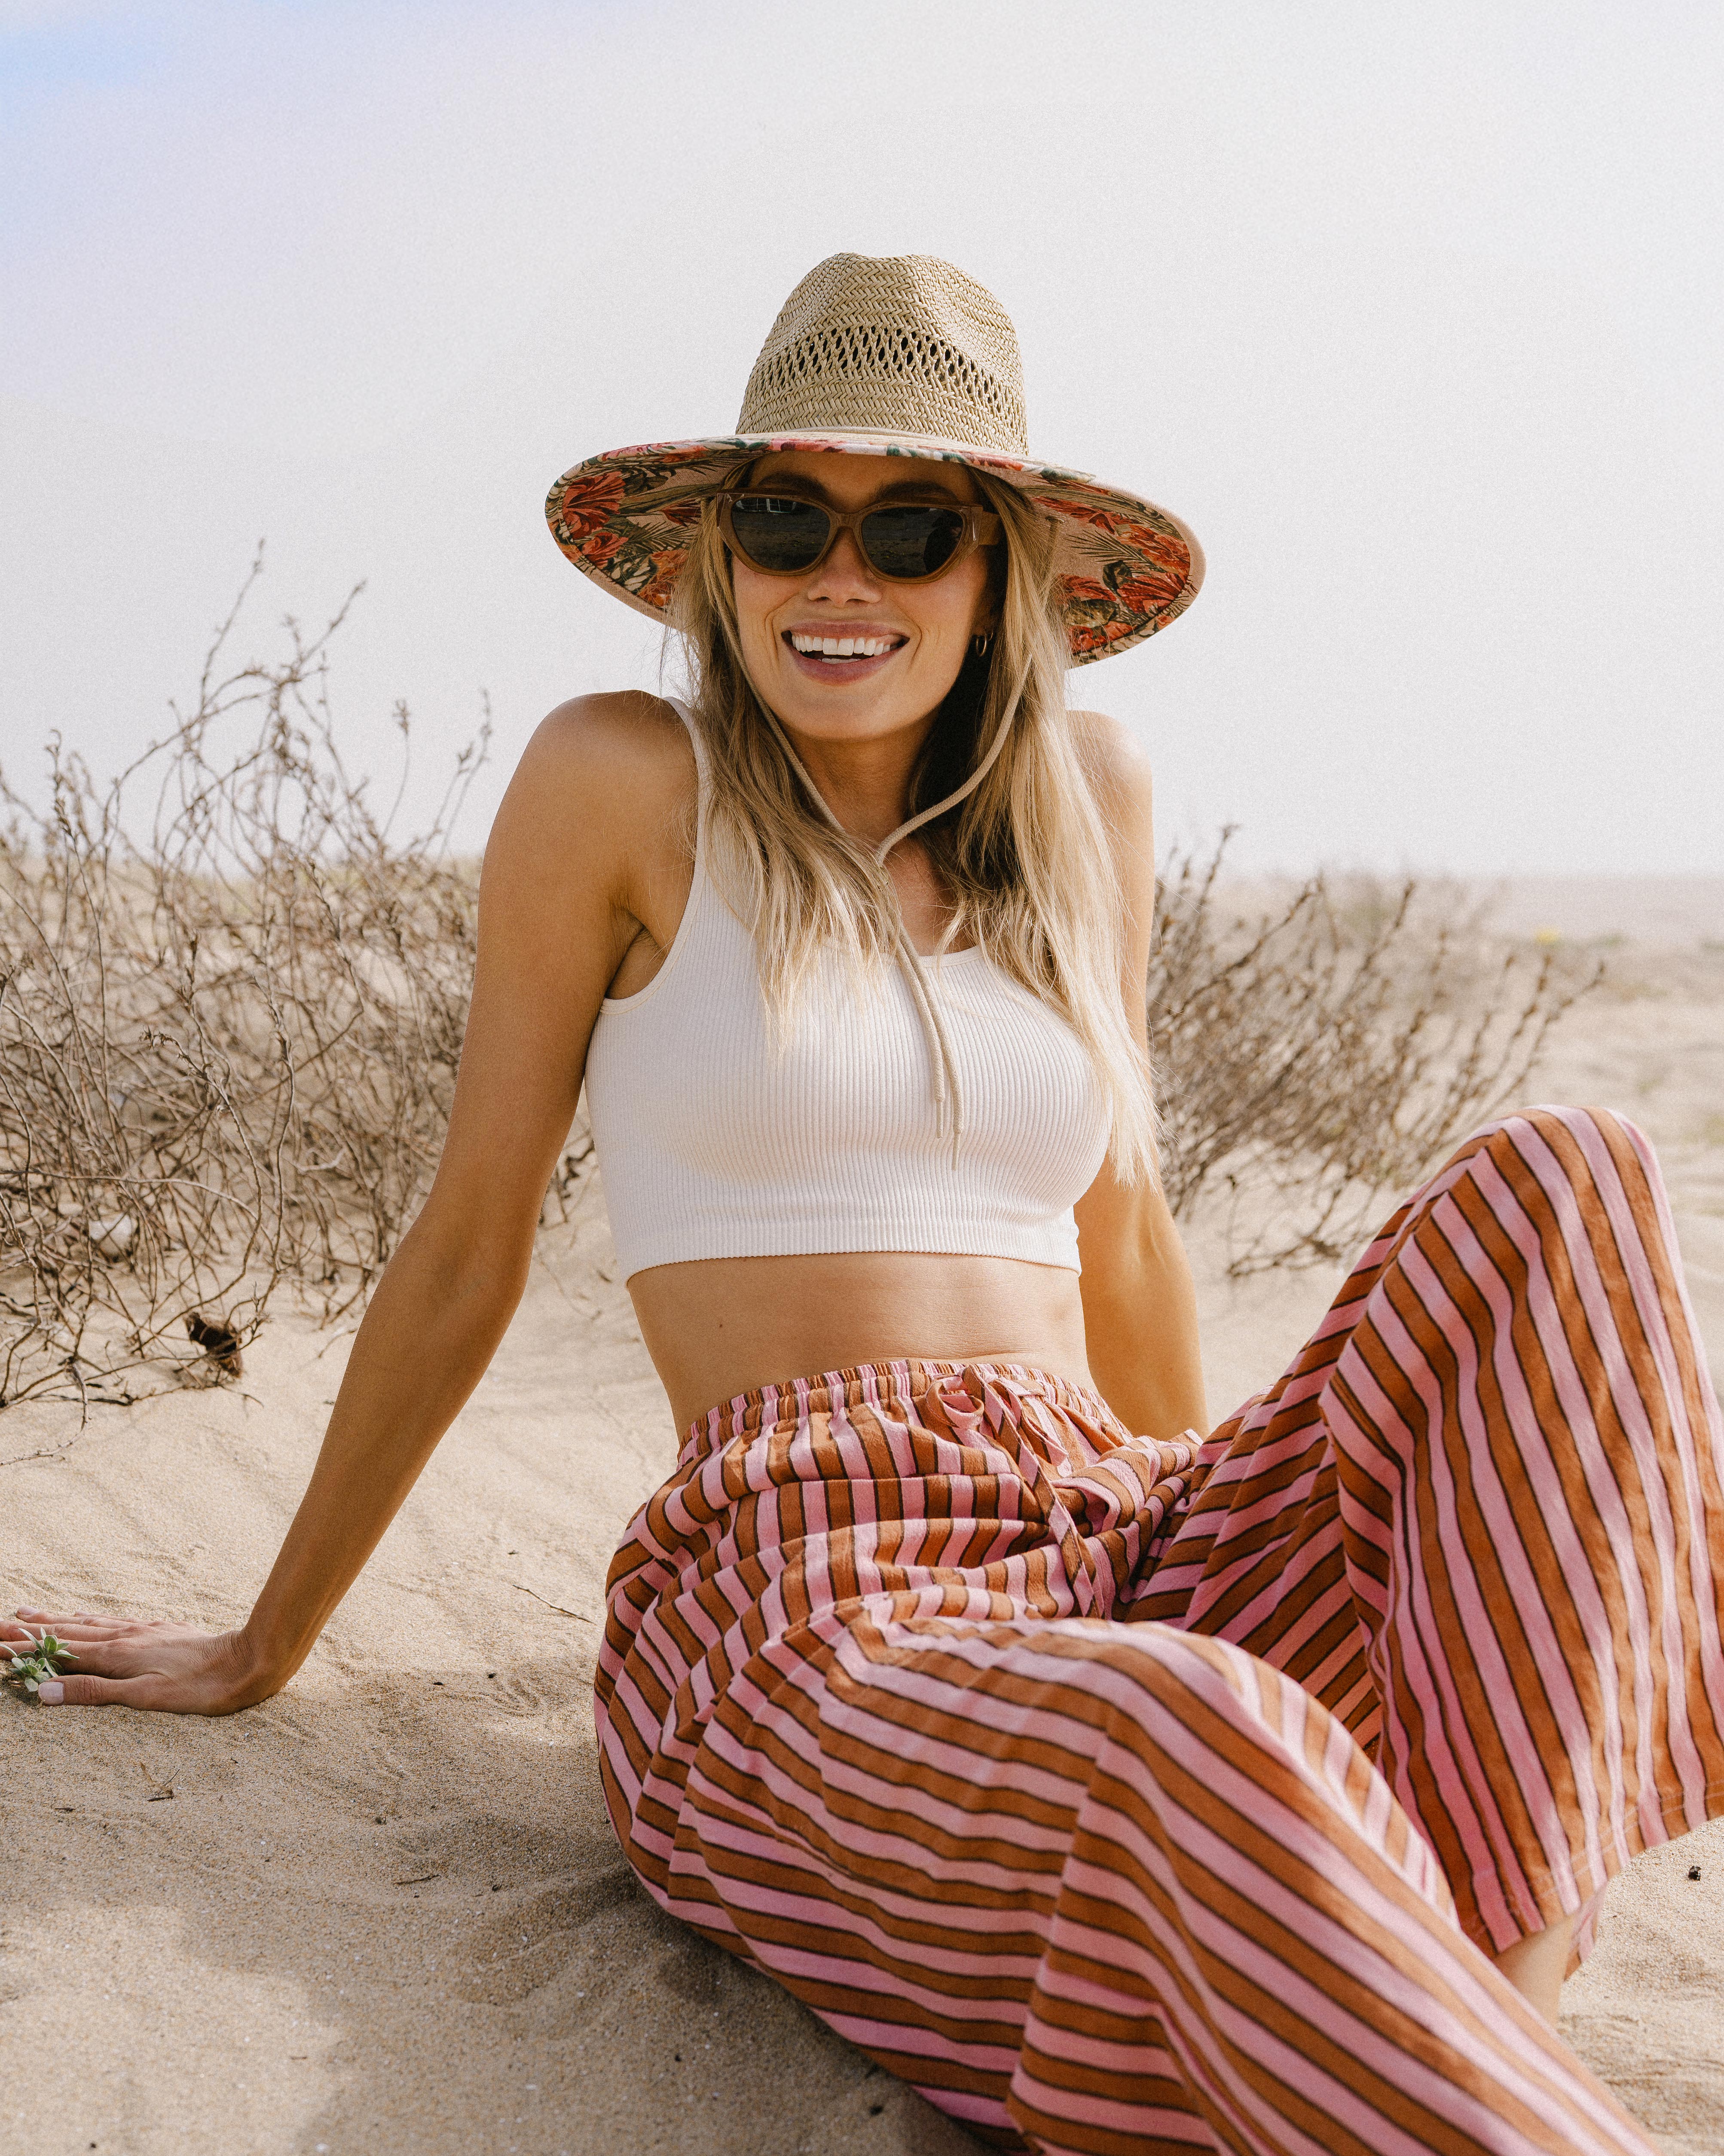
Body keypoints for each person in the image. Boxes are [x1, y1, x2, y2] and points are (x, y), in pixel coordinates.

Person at [11, 253, 1721, 2156]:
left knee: (1569, 1175)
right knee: (1187, 1728)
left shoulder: (1092, 791)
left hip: (1108, 1526)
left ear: (997, 575)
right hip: (805, 1593)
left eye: (910, 527)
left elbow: (1124, 1229)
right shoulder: (621, 780)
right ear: (713, 559)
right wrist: (269, 1639)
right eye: (781, 519)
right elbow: (470, 1235)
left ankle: (1497, 2019)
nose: (840, 575)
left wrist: (1193, 1568)